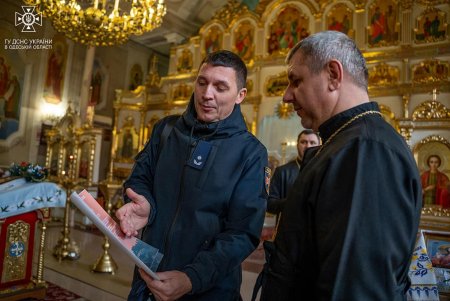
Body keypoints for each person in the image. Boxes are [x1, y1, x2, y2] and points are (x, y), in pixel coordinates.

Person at [258, 31, 422, 300]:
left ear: (333, 75)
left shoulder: (364, 151)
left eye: (295, 81)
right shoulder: (346, 143)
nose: (286, 97)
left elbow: (354, 288)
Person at [116, 50, 269, 301]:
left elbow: (242, 233)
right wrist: (145, 205)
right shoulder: (165, 130)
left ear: (240, 95)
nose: (207, 94)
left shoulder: (250, 153)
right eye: (202, 82)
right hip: (147, 280)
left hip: (209, 290)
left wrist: (191, 278)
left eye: (220, 87)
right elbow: (139, 178)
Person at [266, 129, 319, 219]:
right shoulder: (282, 171)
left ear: (319, 146)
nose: (308, 146)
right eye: (303, 142)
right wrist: (294, 201)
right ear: (297, 145)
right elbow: (269, 204)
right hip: (288, 227)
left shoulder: (323, 169)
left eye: (312, 142)